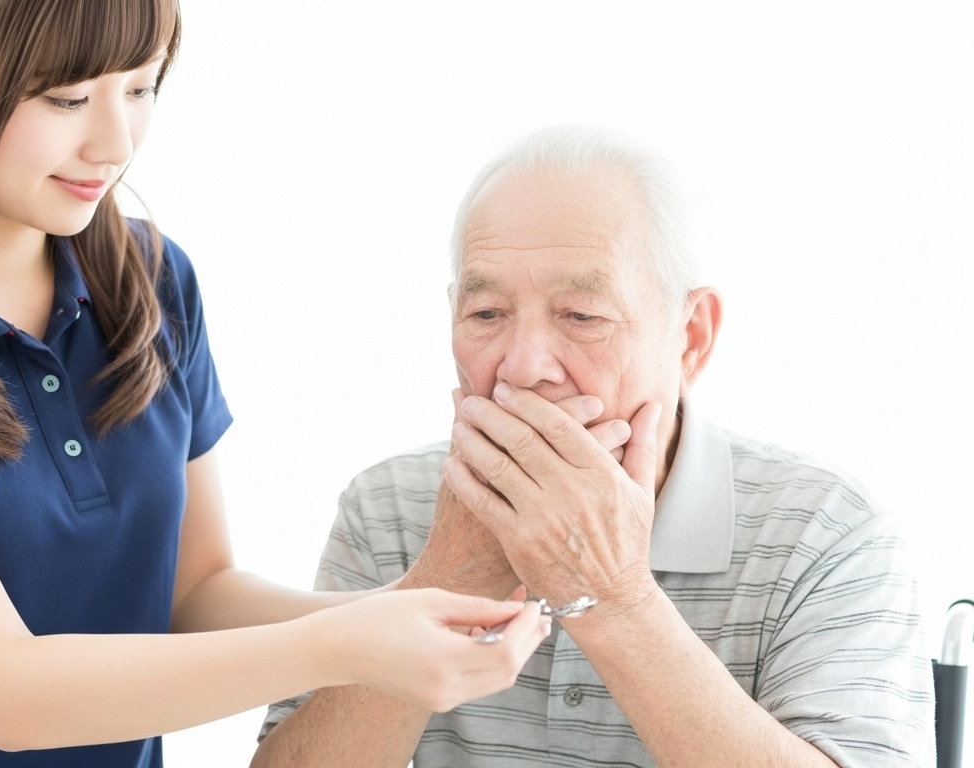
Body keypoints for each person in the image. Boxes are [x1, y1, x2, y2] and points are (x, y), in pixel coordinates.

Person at [0, 2, 556, 767]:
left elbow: (193, 593)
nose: (115, 143)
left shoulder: (153, 279)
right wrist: (353, 646)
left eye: (141, 86)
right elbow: (5, 694)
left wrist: (405, 616)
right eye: (66, 99)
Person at [253, 127, 936, 768]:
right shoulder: (387, 509)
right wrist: (449, 577)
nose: (522, 366)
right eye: (486, 314)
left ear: (690, 338)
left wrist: (612, 595)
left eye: (582, 316)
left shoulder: (828, 532)